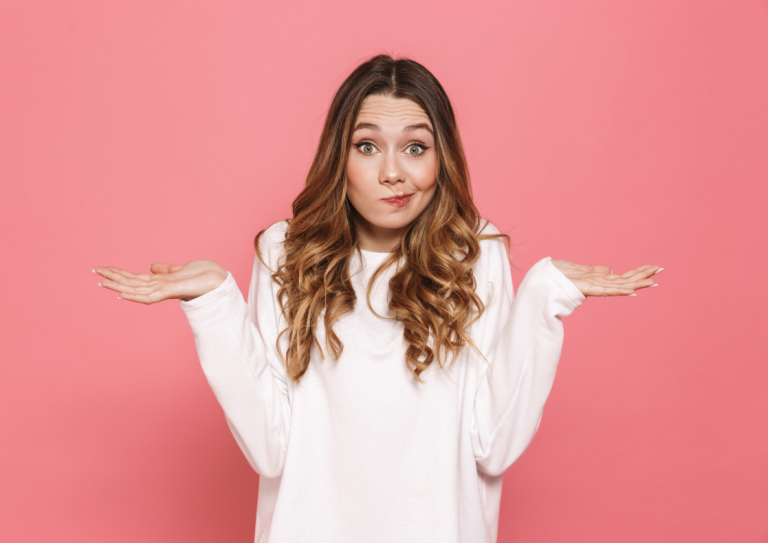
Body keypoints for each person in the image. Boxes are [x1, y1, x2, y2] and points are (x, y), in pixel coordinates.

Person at [94, 55, 662, 543]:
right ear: (339, 157)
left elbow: (493, 445)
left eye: (415, 147)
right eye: (367, 146)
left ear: (442, 159)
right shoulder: (285, 252)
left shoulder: (474, 254)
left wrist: (543, 297)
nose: (393, 172)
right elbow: (269, 447)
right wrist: (216, 304)